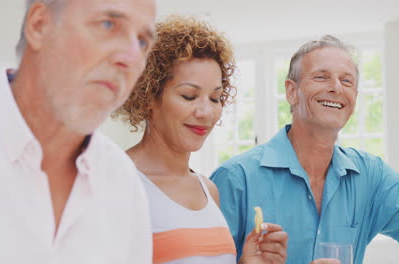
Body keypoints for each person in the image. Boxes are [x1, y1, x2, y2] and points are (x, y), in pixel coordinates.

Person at [210, 35, 399, 264]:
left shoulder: (371, 175)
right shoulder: (236, 179)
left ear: (354, 97)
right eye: (321, 77)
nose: (336, 88)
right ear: (291, 91)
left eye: (346, 80)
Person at [0, 0, 156, 263]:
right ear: (39, 25)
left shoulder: (122, 180)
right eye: (109, 24)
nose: (131, 57)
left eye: (143, 42)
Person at [114, 16, 288, 264]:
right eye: (188, 96)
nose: (206, 113)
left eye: (215, 98)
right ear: (149, 96)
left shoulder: (208, 190)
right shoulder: (117, 180)